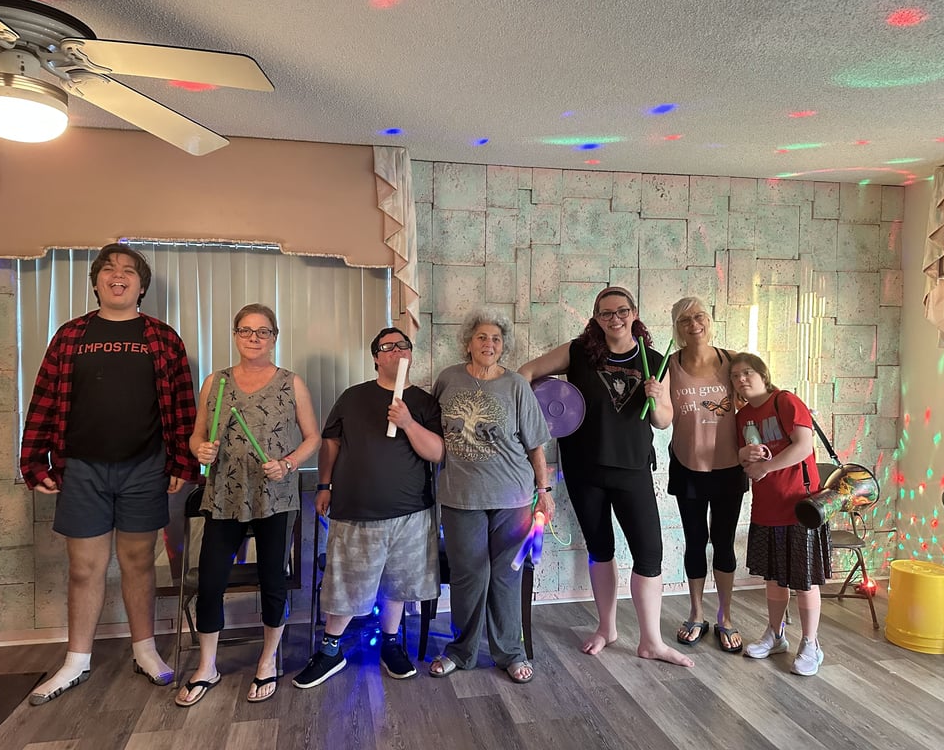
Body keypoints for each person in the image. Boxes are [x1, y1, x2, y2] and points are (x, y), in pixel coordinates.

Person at [20, 243, 199, 705]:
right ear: (97, 281)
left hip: (146, 468)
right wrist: (32, 460)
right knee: (84, 568)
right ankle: (76, 660)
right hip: (81, 468)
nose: (118, 276)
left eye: (129, 271)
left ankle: (145, 651)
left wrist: (183, 461)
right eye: (109, 270)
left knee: (139, 563)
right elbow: (42, 399)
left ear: (142, 285)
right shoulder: (70, 336)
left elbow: (183, 408)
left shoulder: (163, 338)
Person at [519, 286, 693, 667]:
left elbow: (664, 421)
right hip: (584, 470)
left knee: (649, 556)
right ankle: (606, 628)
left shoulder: (654, 360)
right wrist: (537, 409)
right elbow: (527, 372)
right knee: (601, 550)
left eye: (621, 311)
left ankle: (651, 641)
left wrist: (658, 394)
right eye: (606, 313)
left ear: (633, 313)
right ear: (596, 317)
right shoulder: (578, 351)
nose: (614, 318)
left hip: (632, 468)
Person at [175, 304, 320, 706]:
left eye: (262, 331)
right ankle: (207, 665)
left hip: (275, 496)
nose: (254, 338)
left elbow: (313, 438)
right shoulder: (215, 383)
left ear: (275, 337)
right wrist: (198, 449)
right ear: (235, 335)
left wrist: (289, 463)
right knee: (211, 582)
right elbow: (196, 435)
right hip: (223, 495)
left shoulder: (292, 383)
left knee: (274, 579)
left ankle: (267, 660)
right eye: (245, 330)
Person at [291, 327, 444, 689]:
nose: (395, 351)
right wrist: (324, 485)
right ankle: (331, 651)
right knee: (347, 585)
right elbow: (330, 443)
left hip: (411, 511)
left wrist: (407, 423)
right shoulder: (353, 397)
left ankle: (390, 643)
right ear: (376, 357)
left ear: (410, 355)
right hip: (356, 509)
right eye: (386, 347)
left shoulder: (423, 402)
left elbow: (437, 453)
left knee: (398, 585)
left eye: (402, 345)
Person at [429, 309, 554, 684]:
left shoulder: (515, 385)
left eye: (496, 339)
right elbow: (433, 435)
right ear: (468, 343)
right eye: (482, 337)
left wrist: (543, 492)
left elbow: (535, 446)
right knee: (469, 575)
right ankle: (460, 651)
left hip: (512, 497)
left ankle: (510, 653)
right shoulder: (447, 379)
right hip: (459, 496)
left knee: (506, 576)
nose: (489, 344)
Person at [730, 352, 831, 676]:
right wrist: (745, 456)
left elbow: (804, 446)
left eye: (747, 372)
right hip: (766, 507)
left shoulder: (785, 401)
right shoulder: (742, 416)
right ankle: (775, 635)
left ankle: (811, 644)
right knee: (773, 577)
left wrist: (764, 467)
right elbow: (744, 462)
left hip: (800, 506)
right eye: (735, 376)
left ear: (762, 374)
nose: (741, 379)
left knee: (804, 580)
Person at [666, 297, 747, 653]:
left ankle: (725, 617)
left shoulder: (733, 362)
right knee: (695, 541)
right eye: (684, 320)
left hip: (729, 466)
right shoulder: (669, 366)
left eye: (699, 317)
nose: (693, 324)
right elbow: (662, 418)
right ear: (677, 328)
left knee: (724, 543)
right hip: (687, 466)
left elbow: (757, 399)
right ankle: (696, 613)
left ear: (710, 320)